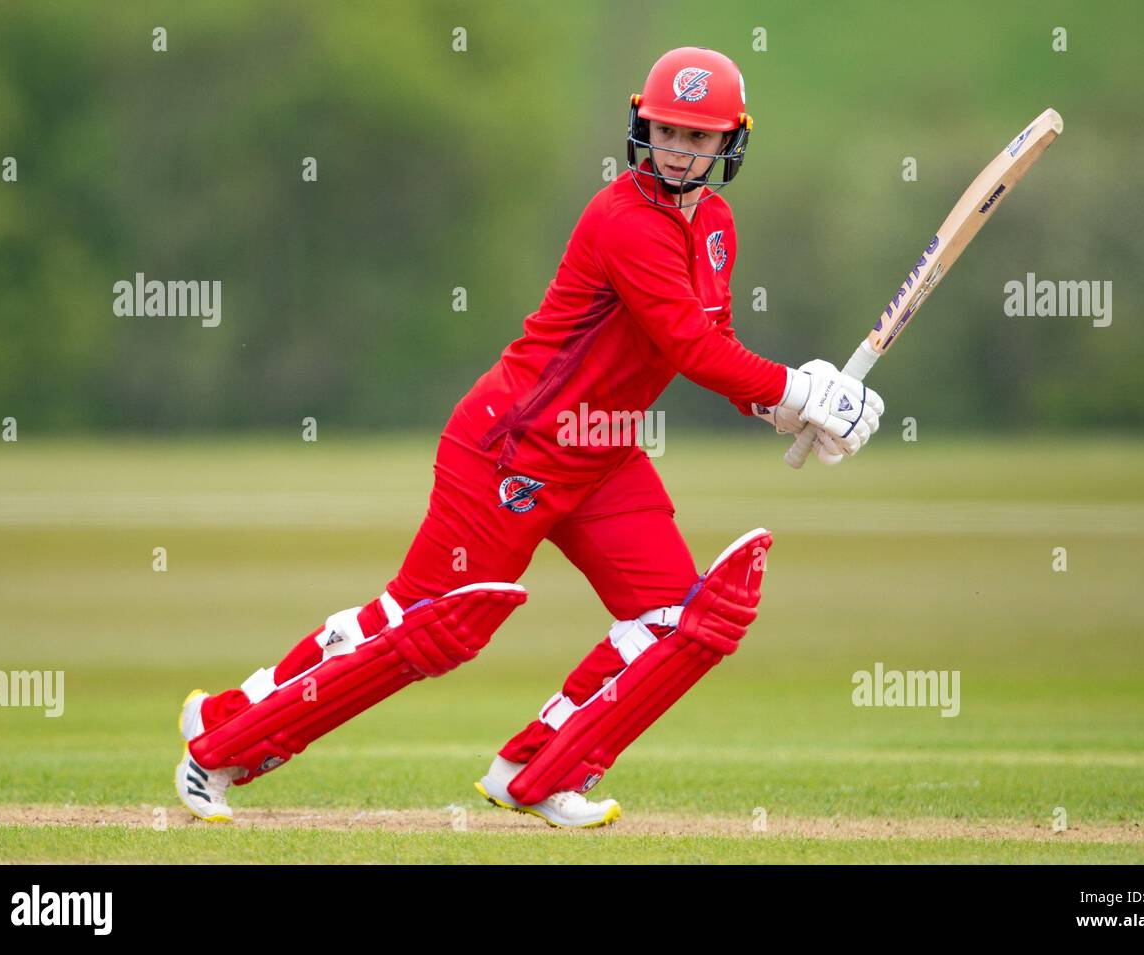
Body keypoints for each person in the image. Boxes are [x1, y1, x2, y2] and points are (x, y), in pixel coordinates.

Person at [174, 46, 884, 829]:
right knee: (427, 628)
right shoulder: (623, 219)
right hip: (512, 445)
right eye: (668, 130)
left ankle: (540, 768)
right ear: (641, 126)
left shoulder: (715, 224)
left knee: (678, 621)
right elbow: (690, 345)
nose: (681, 149)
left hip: (605, 450)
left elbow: (712, 338)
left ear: (730, 144)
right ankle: (223, 741)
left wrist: (786, 409)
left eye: (699, 136)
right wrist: (797, 385)